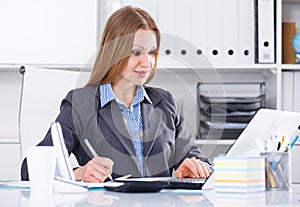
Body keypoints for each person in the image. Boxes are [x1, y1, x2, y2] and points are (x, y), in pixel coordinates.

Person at [21, 5, 212, 182]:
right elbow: (29, 170)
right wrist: (79, 173)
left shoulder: (165, 102)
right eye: (136, 53)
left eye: (152, 52)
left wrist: (196, 168)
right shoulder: (81, 103)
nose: (147, 63)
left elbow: (200, 161)